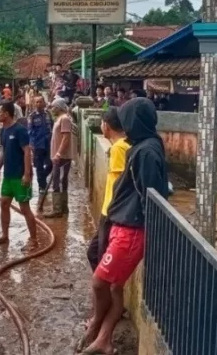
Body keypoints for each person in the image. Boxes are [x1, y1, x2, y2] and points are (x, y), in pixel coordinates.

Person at [78, 97, 169, 355]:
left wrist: (153, 230)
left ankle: (98, 325)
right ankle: (104, 338)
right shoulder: (142, 146)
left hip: (131, 231)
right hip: (124, 223)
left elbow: (151, 196)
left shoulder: (146, 151)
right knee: (115, 286)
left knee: (99, 282)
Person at [86, 107, 128, 272]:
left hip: (111, 211)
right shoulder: (122, 145)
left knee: (100, 257)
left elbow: (119, 183)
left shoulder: (118, 148)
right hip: (111, 211)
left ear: (106, 126)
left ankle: (103, 293)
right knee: (94, 253)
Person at [0, 101, 38, 249]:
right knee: (4, 203)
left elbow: (27, 151)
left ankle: (33, 239)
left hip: (19, 176)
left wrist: (27, 174)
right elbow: (4, 152)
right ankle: (5, 235)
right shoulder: (3, 131)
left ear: (6, 114)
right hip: (8, 176)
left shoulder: (20, 130)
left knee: (24, 208)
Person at [44, 98, 74, 218]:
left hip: (62, 156)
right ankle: (62, 208)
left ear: (59, 107)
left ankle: (58, 209)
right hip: (59, 155)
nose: (52, 109)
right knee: (59, 180)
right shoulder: (60, 119)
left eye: (54, 107)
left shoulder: (65, 119)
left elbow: (66, 138)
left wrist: (59, 154)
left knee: (59, 181)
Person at [27, 96, 54, 194]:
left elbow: (52, 127)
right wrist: (31, 144)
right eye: (36, 102)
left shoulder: (48, 114)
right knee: (39, 166)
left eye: (40, 102)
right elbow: (30, 131)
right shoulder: (32, 116)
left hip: (48, 143)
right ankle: (42, 186)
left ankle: (42, 178)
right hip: (38, 144)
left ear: (44, 103)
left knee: (51, 164)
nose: (38, 104)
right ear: (34, 104)